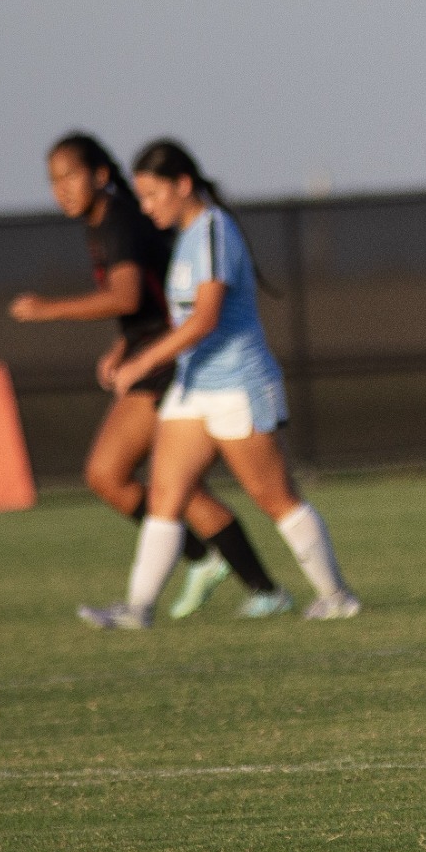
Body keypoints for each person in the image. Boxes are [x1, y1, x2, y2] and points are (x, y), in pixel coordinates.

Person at [78, 139, 360, 628]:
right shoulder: (185, 237)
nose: (145, 207)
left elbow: (205, 319)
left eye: (152, 195)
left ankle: (337, 597)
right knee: (166, 497)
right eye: (140, 198)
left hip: (237, 387)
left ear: (183, 185)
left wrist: (143, 363)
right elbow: (183, 319)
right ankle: (137, 609)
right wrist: (127, 349)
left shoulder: (214, 232)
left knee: (276, 498)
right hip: (193, 390)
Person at [10, 132, 287, 619]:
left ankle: (206, 567)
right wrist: (123, 343)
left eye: (70, 176)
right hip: (154, 352)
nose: (62, 189)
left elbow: (128, 296)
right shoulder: (107, 222)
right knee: (160, 484)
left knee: (121, 476)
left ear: (99, 175)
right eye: (53, 180)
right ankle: (248, 580)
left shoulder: (118, 222)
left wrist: (46, 308)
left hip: (167, 360)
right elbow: (155, 297)